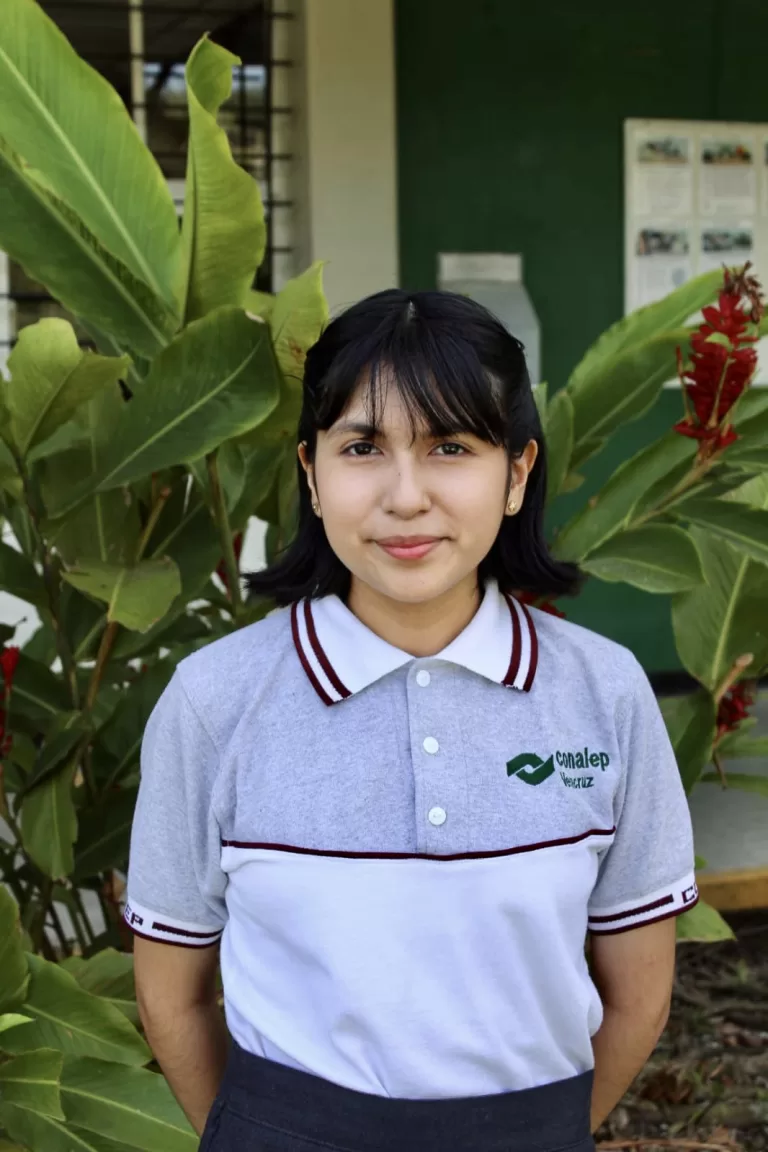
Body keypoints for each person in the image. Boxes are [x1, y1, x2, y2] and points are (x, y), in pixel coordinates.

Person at [124, 289, 698, 1152]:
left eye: (450, 447)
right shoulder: (214, 701)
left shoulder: (604, 693)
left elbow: (640, 998)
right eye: (363, 448)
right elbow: (171, 998)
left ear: (516, 474)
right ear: (312, 474)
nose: (405, 496)